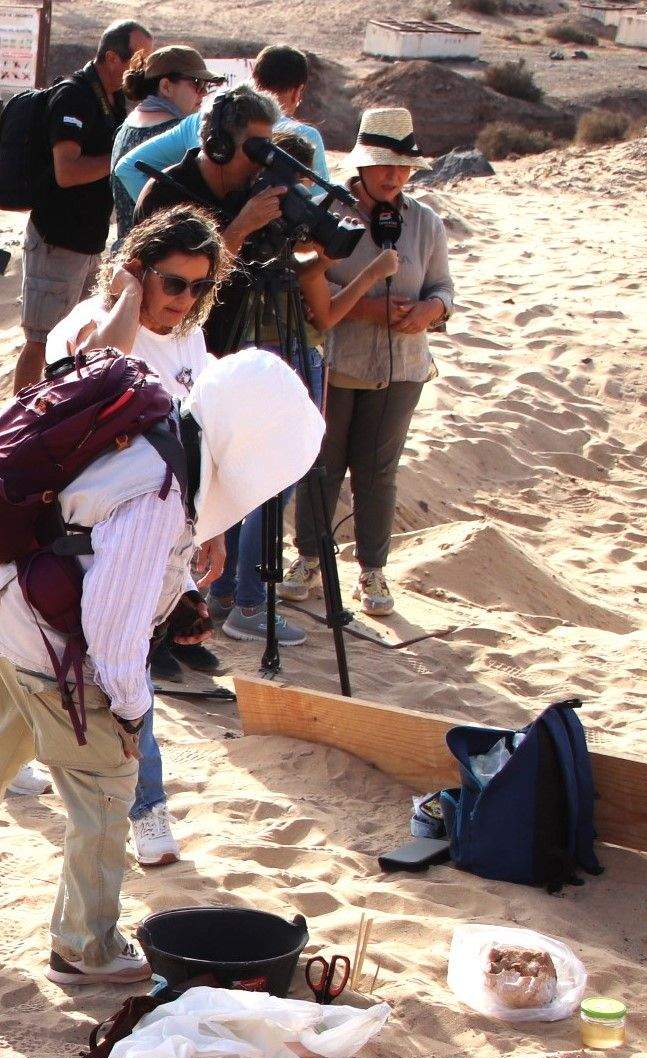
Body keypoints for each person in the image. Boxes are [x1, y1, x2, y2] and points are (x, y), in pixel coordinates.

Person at [0, 347, 323, 985]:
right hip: (51, 637)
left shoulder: (157, 426)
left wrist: (177, 589)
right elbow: (112, 629)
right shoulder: (161, 493)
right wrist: (132, 714)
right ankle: (84, 949)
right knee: (105, 785)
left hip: (6, 603)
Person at [44, 207, 221, 869]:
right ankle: (146, 809)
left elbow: (200, 438)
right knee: (101, 667)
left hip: (158, 532)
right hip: (83, 530)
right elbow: (98, 367)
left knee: (94, 666)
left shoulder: (190, 341)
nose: (184, 301)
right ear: (137, 270)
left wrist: (213, 528)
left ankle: (136, 806)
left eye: (200, 288)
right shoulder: (94, 319)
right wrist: (123, 294)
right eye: (173, 283)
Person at [130, 85, 314, 644]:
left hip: (220, 347)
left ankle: (194, 613)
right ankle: (155, 629)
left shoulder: (251, 194)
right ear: (215, 142)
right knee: (165, 489)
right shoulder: (168, 193)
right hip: (161, 355)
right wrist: (239, 230)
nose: (262, 163)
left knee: (213, 478)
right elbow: (144, 280)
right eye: (254, 150)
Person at [287, 107, 453, 619]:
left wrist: (431, 310)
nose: (393, 176)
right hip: (337, 364)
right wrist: (365, 308)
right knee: (323, 465)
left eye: (402, 167)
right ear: (361, 166)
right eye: (384, 165)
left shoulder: (426, 223)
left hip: (402, 369)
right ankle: (310, 557)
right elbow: (306, 285)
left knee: (378, 473)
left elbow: (445, 289)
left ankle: (372, 568)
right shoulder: (327, 214)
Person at [12, 18, 153, 395]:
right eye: (138, 60)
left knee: (77, 339)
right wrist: (122, 157)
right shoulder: (74, 96)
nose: (143, 70)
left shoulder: (115, 101)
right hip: (57, 239)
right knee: (42, 340)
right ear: (111, 57)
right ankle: (16, 425)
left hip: (91, 242)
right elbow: (67, 171)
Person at [114, 43, 327, 216]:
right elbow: (319, 208)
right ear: (298, 91)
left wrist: (166, 215)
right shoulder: (307, 136)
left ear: (254, 75)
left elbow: (127, 168)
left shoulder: (202, 119)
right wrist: (177, 223)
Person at [108, 46, 213, 245]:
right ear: (165, 87)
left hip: (126, 252)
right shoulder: (179, 131)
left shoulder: (125, 127)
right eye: (197, 84)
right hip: (157, 256)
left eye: (207, 86)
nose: (204, 93)